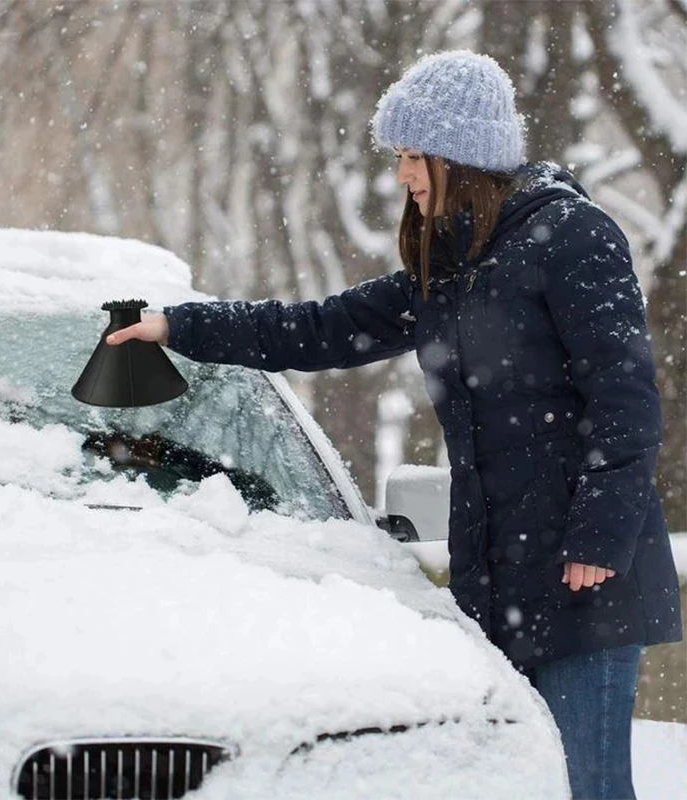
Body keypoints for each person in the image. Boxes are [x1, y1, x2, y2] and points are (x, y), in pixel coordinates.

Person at [105, 51, 682, 799]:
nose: (404, 175)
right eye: (400, 157)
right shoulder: (448, 267)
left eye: (414, 156)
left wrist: (597, 540)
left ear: (462, 157)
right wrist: (175, 326)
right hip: (500, 578)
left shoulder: (572, 237)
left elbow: (627, 398)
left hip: (583, 580)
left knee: (586, 787)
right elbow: (313, 329)